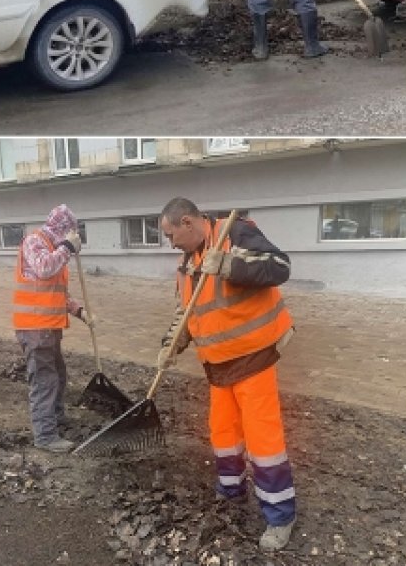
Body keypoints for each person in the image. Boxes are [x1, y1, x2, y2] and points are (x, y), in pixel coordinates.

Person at [157, 199, 297, 553]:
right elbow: (188, 311)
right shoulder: (186, 262)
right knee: (222, 431)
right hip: (218, 365)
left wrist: (231, 265)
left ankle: (280, 516)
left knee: (263, 441)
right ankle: (231, 489)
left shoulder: (235, 231)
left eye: (171, 234)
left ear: (187, 222)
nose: (170, 243)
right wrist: (171, 344)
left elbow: (279, 266)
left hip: (253, 357)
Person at [13, 204, 91, 453]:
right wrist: (67, 248)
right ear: (62, 229)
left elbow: (57, 293)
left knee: (58, 374)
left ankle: (56, 419)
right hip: (35, 328)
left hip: (48, 327)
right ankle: (45, 435)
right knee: (44, 380)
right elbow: (44, 269)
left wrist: (80, 311)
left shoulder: (54, 248)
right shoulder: (35, 242)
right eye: (70, 233)